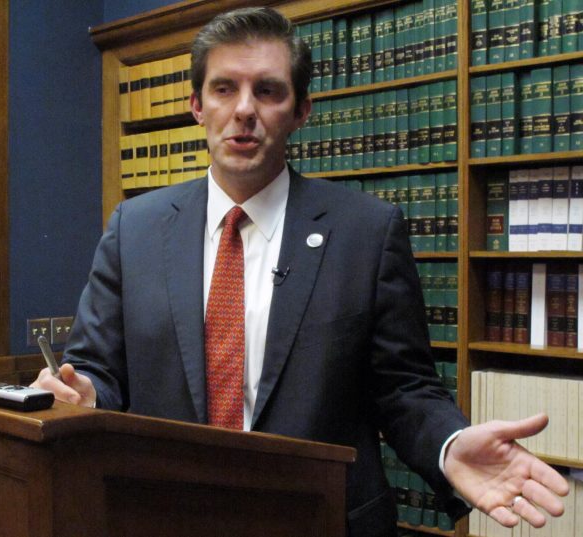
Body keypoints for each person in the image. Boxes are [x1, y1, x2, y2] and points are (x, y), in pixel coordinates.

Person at [33, 7, 569, 536]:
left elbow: (405, 389)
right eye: (224, 89)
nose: (245, 110)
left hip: (322, 518)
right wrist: (83, 396)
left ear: (302, 110)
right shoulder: (135, 228)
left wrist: (449, 447)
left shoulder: (368, 231)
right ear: (196, 105)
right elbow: (96, 367)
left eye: (268, 91)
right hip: (165, 515)